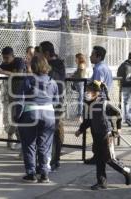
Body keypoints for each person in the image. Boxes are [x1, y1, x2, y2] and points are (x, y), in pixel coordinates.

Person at [75, 81, 131, 190]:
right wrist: (80, 130)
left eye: (90, 91)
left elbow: (118, 113)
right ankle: (101, 182)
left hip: (107, 135)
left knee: (109, 159)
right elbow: (88, 120)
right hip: (96, 135)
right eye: (87, 91)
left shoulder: (105, 103)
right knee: (99, 159)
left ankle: (126, 171)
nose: (87, 93)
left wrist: (118, 129)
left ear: (97, 92)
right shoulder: (89, 104)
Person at [15, 55, 59, 183]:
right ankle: (44, 173)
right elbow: (56, 101)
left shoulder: (28, 80)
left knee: (29, 145)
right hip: (49, 115)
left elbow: (20, 100)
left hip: (30, 114)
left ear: (33, 66)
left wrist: (17, 117)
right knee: (45, 146)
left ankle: (31, 174)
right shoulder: (53, 81)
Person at [0, 46, 26, 150]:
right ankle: (14, 138)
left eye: (7, 57)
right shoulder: (4, 64)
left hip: (21, 93)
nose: (5, 60)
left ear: (12, 55)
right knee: (13, 117)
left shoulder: (18, 61)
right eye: (3, 57)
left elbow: (19, 74)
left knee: (19, 117)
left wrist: (2, 72)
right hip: (11, 94)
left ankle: (17, 139)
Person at [85, 46, 113, 165]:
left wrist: (88, 99)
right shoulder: (105, 67)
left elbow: (96, 88)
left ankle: (99, 157)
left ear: (98, 56)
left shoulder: (99, 69)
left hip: (97, 103)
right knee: (100, 130)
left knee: (97, 131)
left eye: (92, 54)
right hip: (102, 102)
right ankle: (100, 155)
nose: (90, 56)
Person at [40, 41, 65, 171]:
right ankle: (50, 160)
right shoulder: (57, 64)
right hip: (51, 103)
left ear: (47, 53)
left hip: (54, 103)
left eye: (40, 53)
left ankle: (54, 160)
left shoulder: (55, 66)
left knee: (53, 131)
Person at [71, 53, 87, 122]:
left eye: (76, 58)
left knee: (80, 99)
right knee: (80, 99)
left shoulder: (81, 65)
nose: (75, 60)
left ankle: (80, 115)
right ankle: (79, 115)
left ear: (79, 58)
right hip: (78, 84)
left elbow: (80, 76)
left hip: (80, 84)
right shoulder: (79, 65)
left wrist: (73, 76)